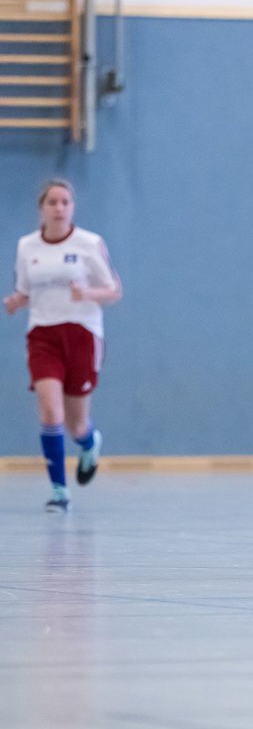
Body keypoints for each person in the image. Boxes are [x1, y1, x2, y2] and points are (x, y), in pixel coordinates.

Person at [4, 179, 121, 512]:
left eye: (65, 202)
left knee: (76, 424)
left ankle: (89, 442)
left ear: (72, 208)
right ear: (42, 208)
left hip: (81, 333)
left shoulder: (89, 243)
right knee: (50, 412)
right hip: (43, 334)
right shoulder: (27, 246)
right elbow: (26, 289)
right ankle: (59, 490)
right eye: (52, 202)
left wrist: (89, 294)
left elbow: (114, 290)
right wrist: (17, 300)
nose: (59, 208)